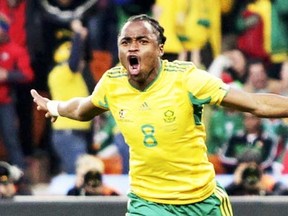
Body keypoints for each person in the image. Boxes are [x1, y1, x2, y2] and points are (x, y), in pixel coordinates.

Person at [31, 14, 288, 215]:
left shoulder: (187, 79)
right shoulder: (112, 82)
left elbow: (255, 103)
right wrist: (54, 107)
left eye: (142, 41)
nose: (133, 48)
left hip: (202, 201)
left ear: (161, 49)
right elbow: (82, 108)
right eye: (126, 42)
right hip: (148, 203)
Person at [47, 19, 93, 174]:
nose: (81, 62)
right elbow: (73, 62)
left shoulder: (74, 77)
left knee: (76, 173)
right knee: (80, 174)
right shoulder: (61, 72)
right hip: (67, 133)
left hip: (74, 133)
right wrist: (78, 34)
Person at [0, 12, 34, 169]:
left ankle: (21, 178)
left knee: (11, 139)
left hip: (5, 102)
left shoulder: (15, 50)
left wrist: (7, 75)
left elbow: (27, 74)